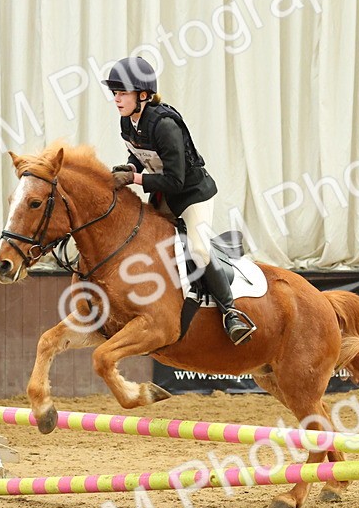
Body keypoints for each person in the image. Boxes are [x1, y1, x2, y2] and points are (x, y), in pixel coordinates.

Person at [102, 56, 256, 345]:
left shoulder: (165, 125)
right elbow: (139, 154)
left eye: (122, 92)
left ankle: (231, 312)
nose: (117, 99)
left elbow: (176, 180)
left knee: (198, 249)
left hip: (191, 195)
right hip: (165, 193)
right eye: (114, 93)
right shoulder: (127, 122)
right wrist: (131, 168)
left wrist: (135, 180)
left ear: (143, 95)